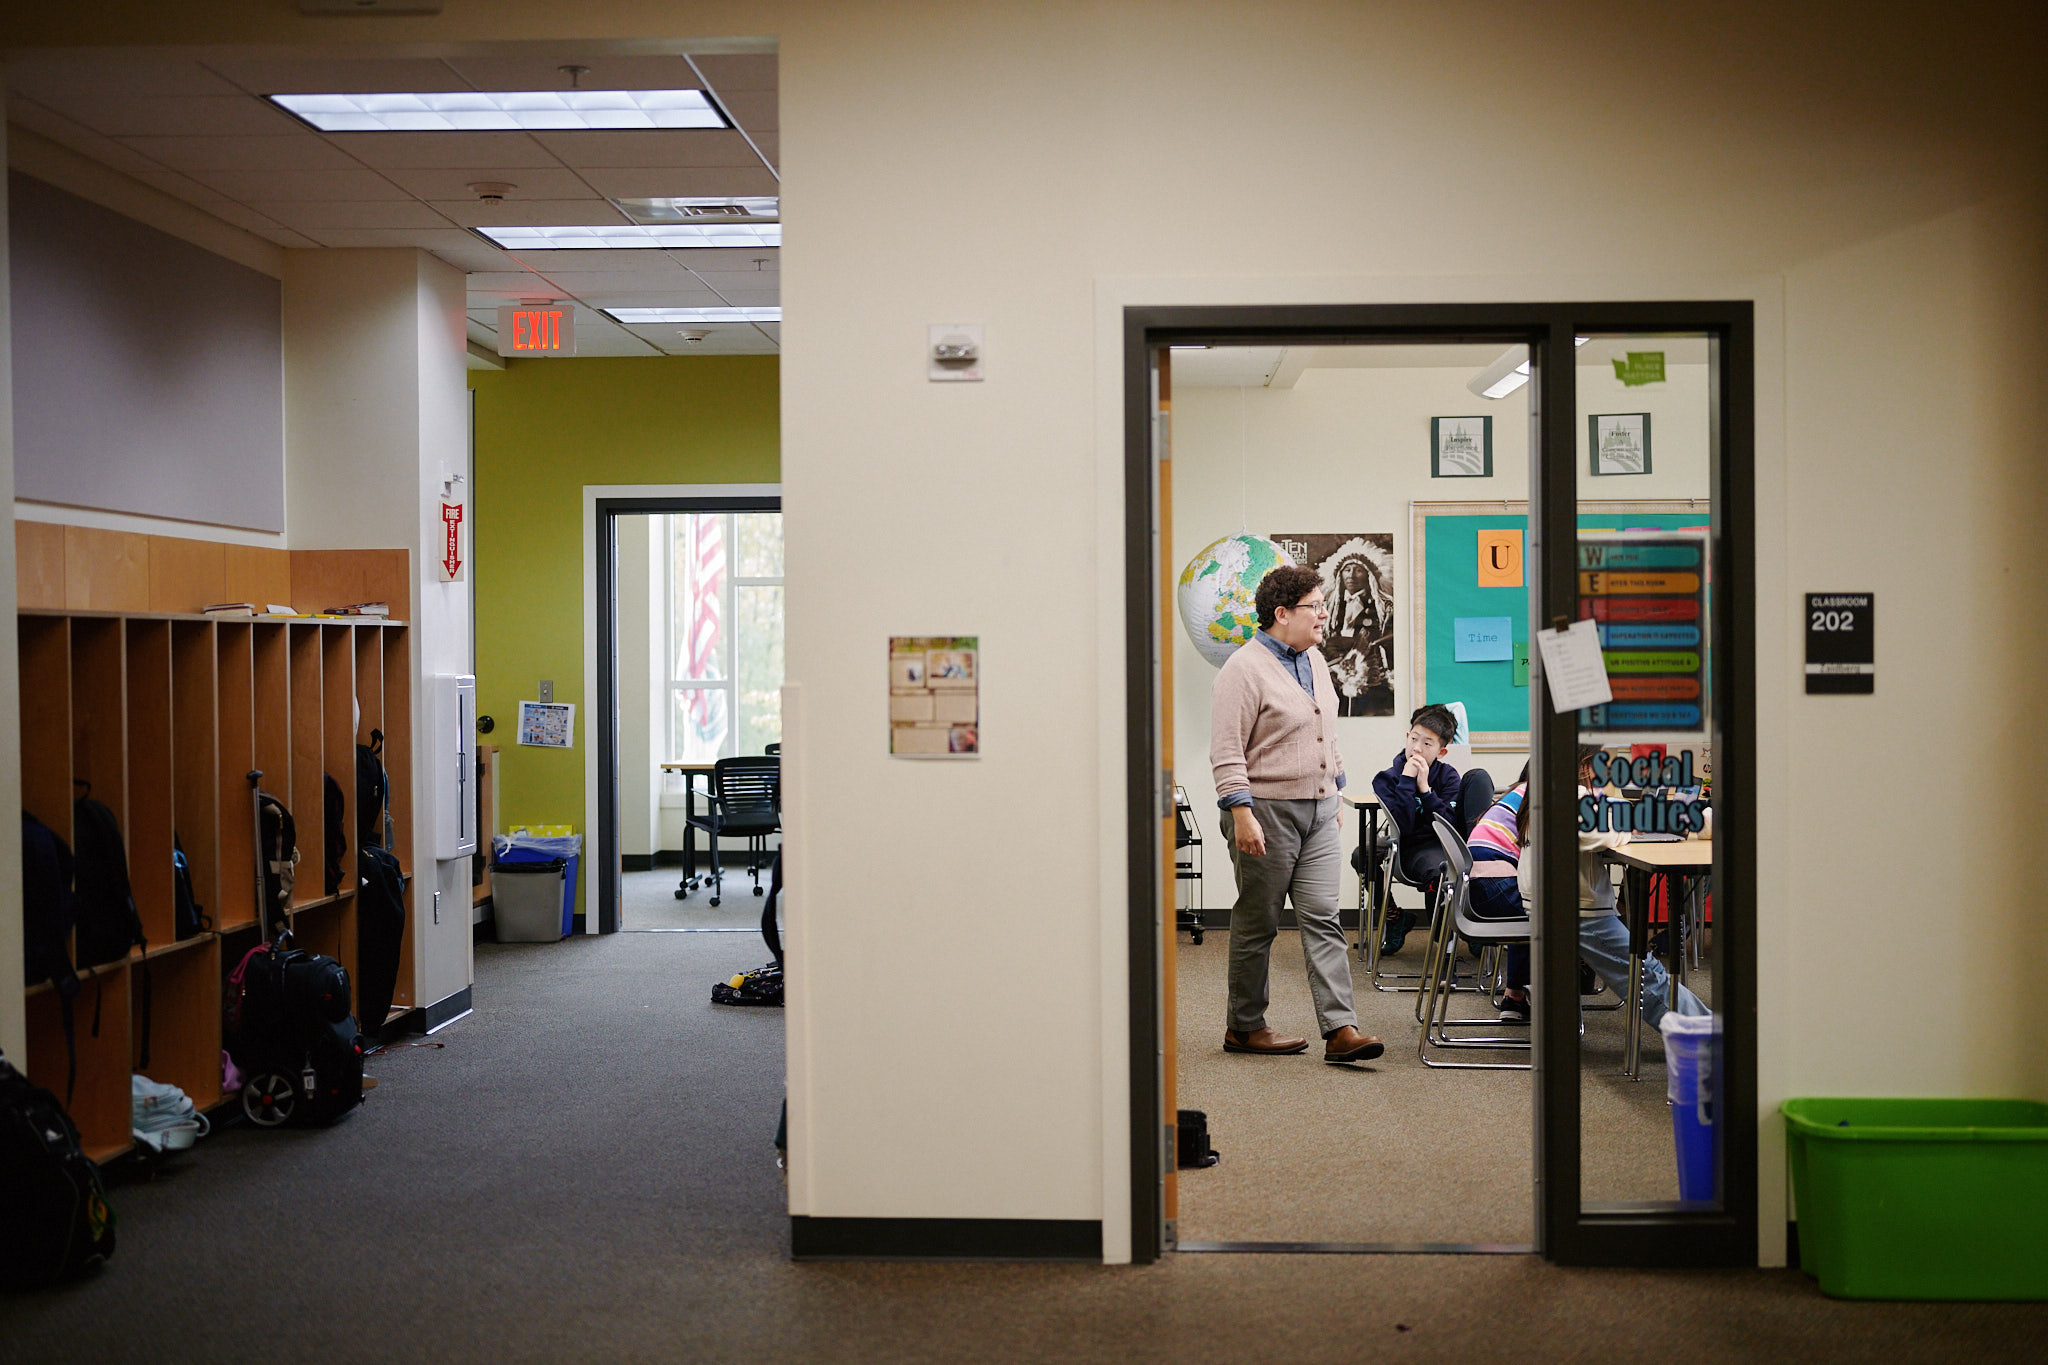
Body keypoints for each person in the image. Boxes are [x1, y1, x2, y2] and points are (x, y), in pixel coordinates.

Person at [1210, 563, 1383, 1064]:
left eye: (1325, 605)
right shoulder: (1242, 669)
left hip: (1320, 810)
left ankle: (1341, 1029)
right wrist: (1241, 812)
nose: (1325, 614)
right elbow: (1226, 750)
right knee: (1259, 921)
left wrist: (1336, 791)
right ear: (1282, 613)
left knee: (1325, 918)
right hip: (1265, 812)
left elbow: (1327, 732)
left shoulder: (1316, 661)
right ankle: (1245, 1027)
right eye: (1316, 606)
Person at [1497, 746, 1708, 1029]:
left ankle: (1706, 1029)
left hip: (1558, 903)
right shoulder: (1568, 796)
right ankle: (1704, 1034)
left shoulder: (1547, 789)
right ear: (1584, 763)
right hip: (1577, 910)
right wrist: (1626, 829)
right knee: (1646, 975)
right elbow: (1602, 833)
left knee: (1646, 969)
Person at [1369, 703, 1496, 954]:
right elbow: (1403, 826)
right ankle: (1437, 939)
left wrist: (1425, 790)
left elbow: (1448, 824)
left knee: (1478, 777)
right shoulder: (1386, 779)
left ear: (1442, 751)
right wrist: (1407, 780)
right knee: (1436, 869)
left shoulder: (1448, 776)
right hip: (1413, 847)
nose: (1417, 748)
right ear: (1407, 737)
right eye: (1414, 739)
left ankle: (1471, 922)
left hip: (1445, 843)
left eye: (1427, 744)